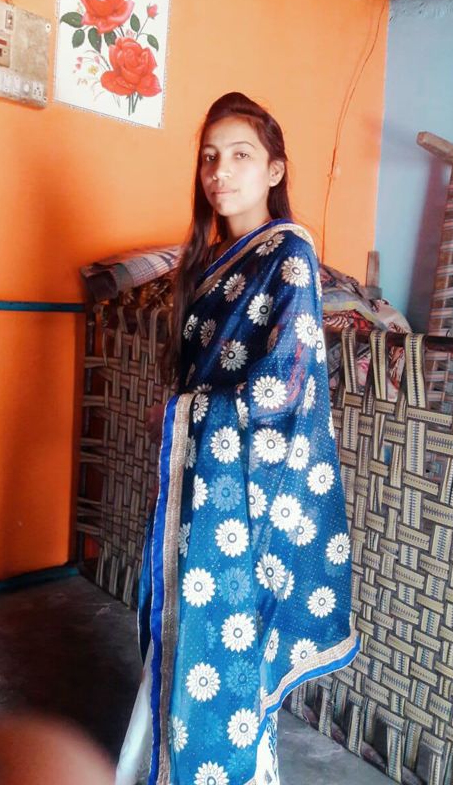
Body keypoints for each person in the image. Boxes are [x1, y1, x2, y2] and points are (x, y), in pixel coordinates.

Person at [116, 92, 359, 785]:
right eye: (209, 158)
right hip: (203, 474)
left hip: (249, 484)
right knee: (185, 629)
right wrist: (188, 417)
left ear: (275, 170)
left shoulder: (288, 255)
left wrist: (187, 414)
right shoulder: (213, 263)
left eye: (240, 156)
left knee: (226, 636)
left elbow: (285, 384)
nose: (219, 172)